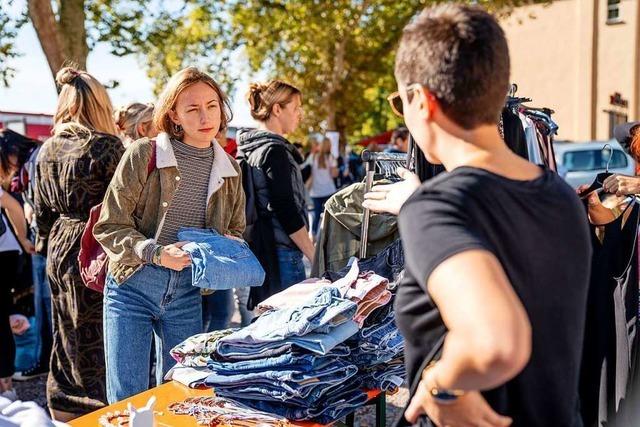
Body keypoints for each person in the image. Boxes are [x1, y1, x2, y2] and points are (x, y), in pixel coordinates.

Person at [363, 4, 590, 426]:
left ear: (420, 100)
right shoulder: (559, 195)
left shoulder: (436, 206)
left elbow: (497, 341)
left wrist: (440, 387)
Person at [94, 67, 245, 403]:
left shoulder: (231, 170)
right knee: (127, 399)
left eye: (212, 105)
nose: (205, 116)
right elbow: (109, 225)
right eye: (192, 109)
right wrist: (157, 253)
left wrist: (225, 248)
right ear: (174, 115)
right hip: (132, 285)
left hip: (187, 292)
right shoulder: (143, 154)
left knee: (180, 395)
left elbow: (235, 229)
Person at [34, 67, 124, 421]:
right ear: (100, 103)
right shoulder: (107, 146)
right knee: (100, 330)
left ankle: (64, 401)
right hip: (96, 245)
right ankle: (98, 405)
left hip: (59, 243)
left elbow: (40, 215)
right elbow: (125, 206)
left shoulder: (47, 149)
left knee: (65, 327)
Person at [237, 80, 313, 292]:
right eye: (296, 108)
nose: (300, 114)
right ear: (277, 109)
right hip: (283, 254)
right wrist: (313, 254)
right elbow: (284, 209)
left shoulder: (248, 148)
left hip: (259, 249)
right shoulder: (275, 150)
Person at [0, 129, 36, 401]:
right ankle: (6, 385)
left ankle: (6, 385)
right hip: (8, 254)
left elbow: (11, 205)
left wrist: (24, 239)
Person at [309, 137, 338, 237]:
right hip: (328, 190)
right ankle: (329, 236)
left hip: (315, 191)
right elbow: (334, 174)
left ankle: (313, 235)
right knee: (330, 214)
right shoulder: (331, 157)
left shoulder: (313, 156)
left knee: (316, 215)